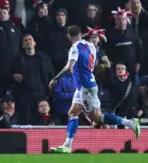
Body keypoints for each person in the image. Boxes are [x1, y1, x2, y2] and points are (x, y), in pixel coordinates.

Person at [48, 25, 140, 154]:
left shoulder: (74, 48)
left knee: (98, 119)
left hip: (86, 87)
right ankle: (67, 146)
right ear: (80, 34)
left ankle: (130, 123)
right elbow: (94, 63)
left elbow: (69, 67)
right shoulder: (90, 45)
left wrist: (56, 79)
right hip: (84, 86)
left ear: (68, 36)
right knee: (73, 113)